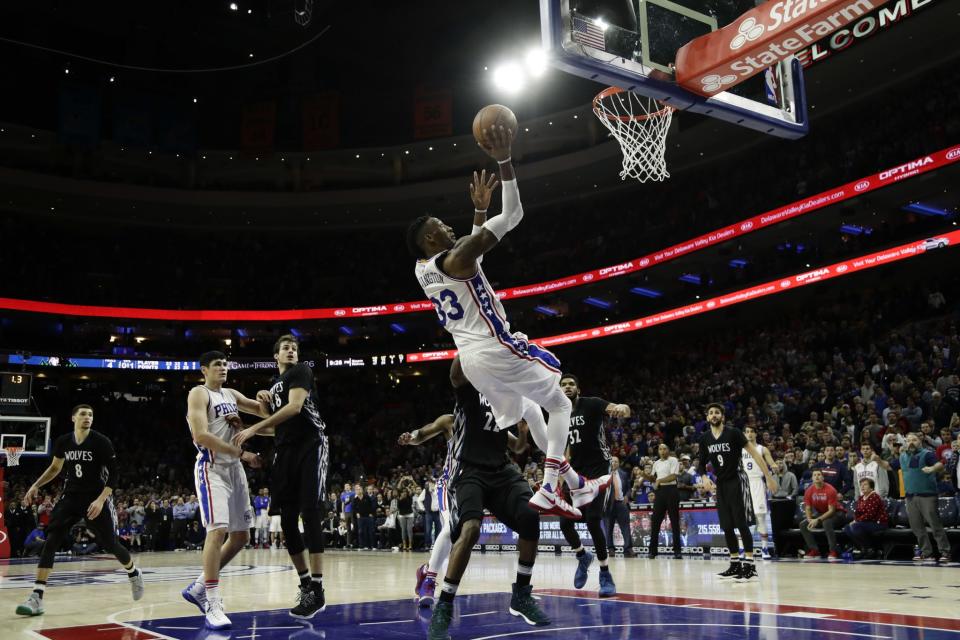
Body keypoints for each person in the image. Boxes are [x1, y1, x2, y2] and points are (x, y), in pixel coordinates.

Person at [407, 127, 607, 519]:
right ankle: (550, 487)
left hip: (471, 362)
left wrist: (480, 211)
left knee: (530, 411)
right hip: (495, 347)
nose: (451, 228)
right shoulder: (457, 255)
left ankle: (578, 485)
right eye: (443, 228)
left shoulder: (423, 268)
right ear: (432, 238)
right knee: (561, 402)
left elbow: (469, 252)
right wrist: (504, 159)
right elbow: (512, 216)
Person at [427, 357, 548, 640]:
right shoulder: (472, 389)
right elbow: (455, 375)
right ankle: (444, 606)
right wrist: (469, 342)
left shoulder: (509, 397)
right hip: (470, 471)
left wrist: (523, 433)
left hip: (502, 470)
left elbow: (518, 446)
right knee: (469, 530)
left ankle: (521, 594)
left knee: (531, 515)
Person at [233, 334, 331, 618]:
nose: (291, 351)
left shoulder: (301, 372)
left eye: (294, 348)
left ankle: (318, 586)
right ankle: (305, 585)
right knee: (287, 519)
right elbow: (276, 428)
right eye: (285, 348)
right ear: (275, 356)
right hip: (285, 449)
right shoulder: (273, 386)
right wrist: (251, 420)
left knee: (310, 511)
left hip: (311, 443)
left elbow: (295, 408)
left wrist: (253, 428)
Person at [16, 404, 144, 616]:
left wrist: (101, 500)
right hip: (71, 497)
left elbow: (113, 475)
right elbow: (55, 468)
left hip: (96, 497)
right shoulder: (64, 441)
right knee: (52, 540)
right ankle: (37, 596)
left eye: (91, 414)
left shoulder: (101, 442)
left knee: (111, 544)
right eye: (83, 414)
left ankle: (133, 572)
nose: (88, 417)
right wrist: (36, 485)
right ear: (73, 417)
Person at [180, 351, 266, 630]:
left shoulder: (231, 394)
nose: (223, 368)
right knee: (217, 531)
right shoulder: (199, 393)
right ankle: (213, 601)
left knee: (241, 537)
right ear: (204, 369)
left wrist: (266, 397)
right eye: (217, 365)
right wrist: (243, 454)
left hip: (234, 470)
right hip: (211, 468)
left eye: (226, 364)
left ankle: (199, 586)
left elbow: (265, 414)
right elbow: (200, 436)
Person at [555, 373, 630, 597]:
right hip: (575, 473)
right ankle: (582, 555)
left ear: (578, 387)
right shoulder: (559, 413)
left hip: (599, 471)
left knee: (593, 519)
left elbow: (617, 408)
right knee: (565, 523)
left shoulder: (592, 403)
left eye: (571, 384)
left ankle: (605, 573)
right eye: (563, 385)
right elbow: (566, 446)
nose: (567, 387)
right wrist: (561, 476)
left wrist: (622, 408)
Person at [697, 403, 776, 581]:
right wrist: (704, 478)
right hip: (721, 483)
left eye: (717, 412)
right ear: (707, 418)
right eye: (711, 413)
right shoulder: (704, 439)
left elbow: (755, 454)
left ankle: (749, 565)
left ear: (722, 416)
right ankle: (734, 564)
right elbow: (701, 464)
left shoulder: (733, 433)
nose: (714, 415)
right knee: (726, 526)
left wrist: (768, 477)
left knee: (741, 523)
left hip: (738, 480)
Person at [398, 411, 456, 607]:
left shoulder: (489, 423)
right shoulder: (451, 420)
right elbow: (422, 434)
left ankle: (426, 570)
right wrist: (412, 436)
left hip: (476, 485)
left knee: (460, 537)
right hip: (450, 483)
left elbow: (516, 445)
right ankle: (429, 579)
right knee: (449, 529)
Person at [892, 432, 950, 563]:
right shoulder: (903, 456)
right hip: (910, 497)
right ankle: (926, 552)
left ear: (920, 441)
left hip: (927, 495)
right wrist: (878, 460)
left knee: (935, 525)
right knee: (917, 527)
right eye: (908, 440)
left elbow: (940, 464)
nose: (911, 442)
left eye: (914, 440)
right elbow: (888, 466)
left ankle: (945, 551)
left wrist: (932, 469)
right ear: (905, 443)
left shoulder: (927, 454)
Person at [741, 425, 777, 560]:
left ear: (756, 434)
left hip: (758, 482)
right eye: (747, 432)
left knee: (760, 517)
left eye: (752, 432)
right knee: (743, 519)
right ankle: (742, 549)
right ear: (744, 434)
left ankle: (764, 548)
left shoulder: (762, 449)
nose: (750, 434)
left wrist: (774, 467)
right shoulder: (739, 449)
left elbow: (772, 463)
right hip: (743, 483)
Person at [644, 443, 683, 560]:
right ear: (658, 451)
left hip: (671, 490)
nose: (662, 451)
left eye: (664, 448)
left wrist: (659, 481)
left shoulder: (673, 460)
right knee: (655, 522)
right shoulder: (655, 463)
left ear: (668, 450)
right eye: (660, 449)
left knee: (674, 521)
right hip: (660, 492)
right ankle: (652, 551)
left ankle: (677, 551)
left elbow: (673, 476)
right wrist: (644, 475)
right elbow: (653, 478)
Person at [799, 469, 846, 561]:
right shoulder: (809, 490)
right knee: (803, 524)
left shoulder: (830, 489)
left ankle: (833, 551)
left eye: (819, 474)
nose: (817, 476)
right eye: (814, 475)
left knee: (826, 522)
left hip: (838, 513)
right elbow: (808, 508)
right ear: (812, 478)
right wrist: (809, 519)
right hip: (822, 514)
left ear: (823, 477)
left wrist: (818, 520)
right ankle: (814, 550)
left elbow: (831, 511)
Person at [842, 478, 888, 559]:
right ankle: (862, 548)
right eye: (861, 485)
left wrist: (856, 521)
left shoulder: (875, 497)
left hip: (878, 523)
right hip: (865, 523)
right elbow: (857, 512)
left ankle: (870, 549)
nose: (862, 487)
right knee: (847, 528)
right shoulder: (861, 498)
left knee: (856, 526)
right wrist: (854, 520)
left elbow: (870, 514)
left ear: (871, 487)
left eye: (865, 485)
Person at [355, 485, 377, 550]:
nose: (359, 491)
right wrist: (357, 513)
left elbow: (371, 506)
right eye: (357, 490)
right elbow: (354, 507)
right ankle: (362, 545)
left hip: (368, 516)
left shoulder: (366, 497)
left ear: (362, 490)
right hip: (361, 517)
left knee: (371, 531)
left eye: (360, 489)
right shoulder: (355, 499)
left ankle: (372, 545)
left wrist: (371, 513)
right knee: (361, 531)